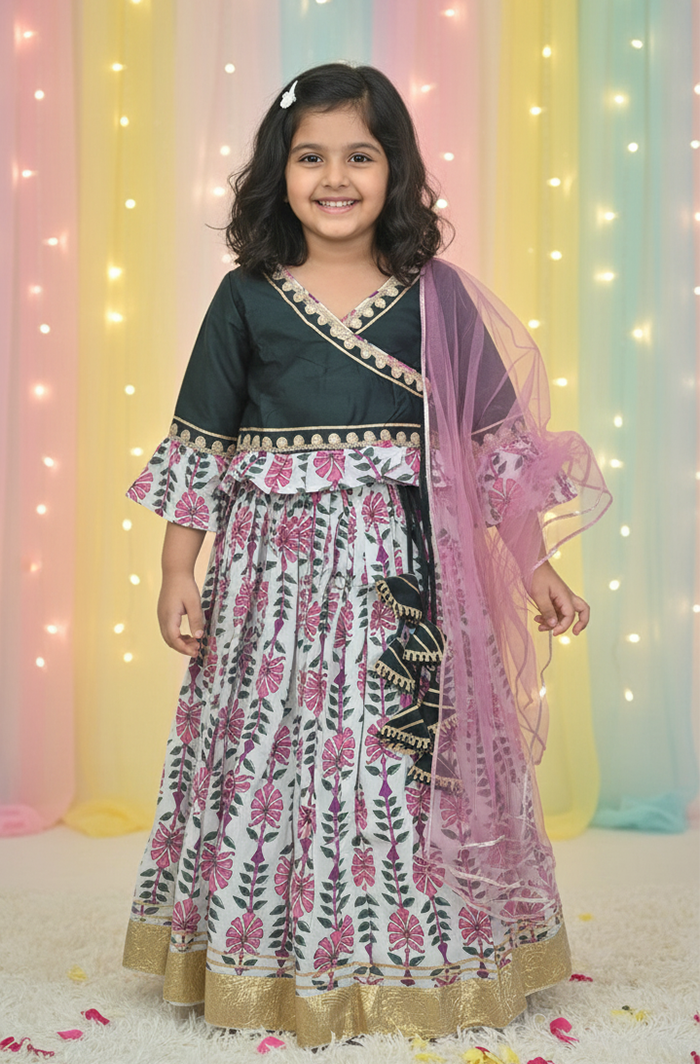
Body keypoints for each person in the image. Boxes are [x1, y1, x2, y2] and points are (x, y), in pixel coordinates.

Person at [122, 63, 610, 1048]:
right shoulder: (245, 298)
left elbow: (493, 453)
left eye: (360, 156)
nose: (335, 177)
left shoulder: (437, 300)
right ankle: (270, 959)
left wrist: (535, 565)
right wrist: (177, 570)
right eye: (311, 157)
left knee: (404, 755)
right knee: (275, 753)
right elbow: (199, 448)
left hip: (407, 577)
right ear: (278, 170)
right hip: (274, 585)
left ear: (397, 171)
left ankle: (428, 958)